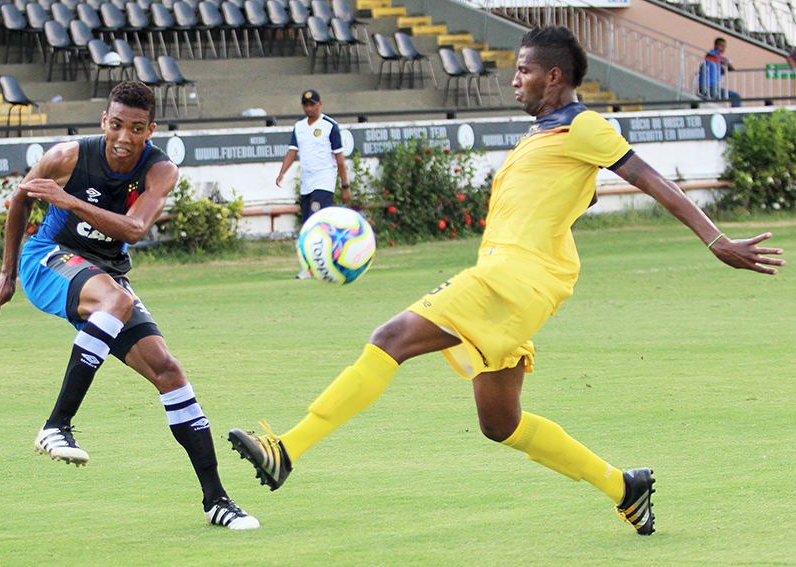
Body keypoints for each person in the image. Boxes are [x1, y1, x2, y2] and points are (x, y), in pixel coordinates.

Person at [228, 26, 785, 536]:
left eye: (524, 70)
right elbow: (572, 194)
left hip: (512, 278)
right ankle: (624, 486)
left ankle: (287, 449)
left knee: (389, 339)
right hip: (518, 282)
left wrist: (716, 240)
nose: (515, 79)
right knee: (500, 423)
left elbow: (652, 179)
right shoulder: (542, 134)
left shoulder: (584, 125)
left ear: (554, 76)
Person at [0, 81, 259, 531]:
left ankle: (217, 501)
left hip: (107, 274)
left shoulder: (160, 170)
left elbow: (133, 229)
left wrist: (69, 200)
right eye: (116, 125)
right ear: (104, 121)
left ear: (151, 130)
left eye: (136, 128)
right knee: (116, 299)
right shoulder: (67, 157)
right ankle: (56, 425)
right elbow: (21, 200)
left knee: (168, 370)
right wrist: (7, 273)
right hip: (48, 258)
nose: (124, 137)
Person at [275, 89, 351, 278]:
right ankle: (316, 263)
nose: (309, 108)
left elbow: (340, 159)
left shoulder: (330, 126)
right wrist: (282, 172)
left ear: (320, 104)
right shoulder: (299, 126)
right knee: (308, 224)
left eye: (312, 104)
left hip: (324, 181)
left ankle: (317, 266)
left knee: (317, 221)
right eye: (306, 105)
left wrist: (345, 186)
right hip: (307, 182)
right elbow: (292, 151)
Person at [699, 37, 742, 107]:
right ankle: (735, 113)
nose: (723, 49)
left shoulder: (709, 56)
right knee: (736, 97)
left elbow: (722, 71)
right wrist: (727, 63)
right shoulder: (717, 54)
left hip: (704, 87)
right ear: (715, 45)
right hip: (711, 87)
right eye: (721, 46)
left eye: (724, 47)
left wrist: (723, 69)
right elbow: (731, 68)